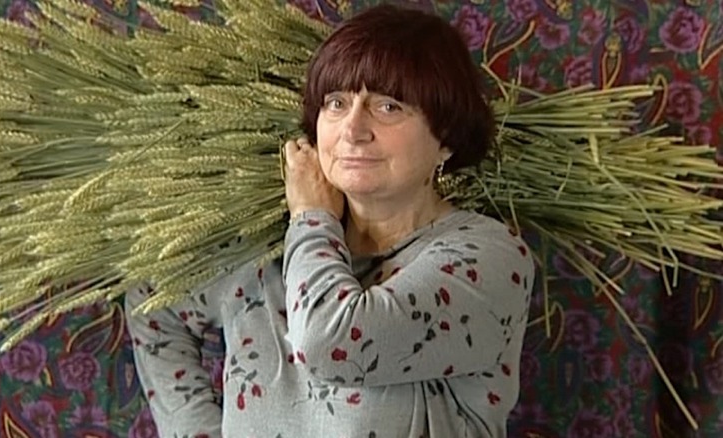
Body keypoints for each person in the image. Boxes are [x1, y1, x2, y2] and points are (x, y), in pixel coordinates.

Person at [126, 4, 535, 437]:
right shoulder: (265, 257)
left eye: (389, 106)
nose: (353, 129)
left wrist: (312, 215)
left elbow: (332, 342)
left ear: (447, 139)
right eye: (336, 103)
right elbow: (152, 302)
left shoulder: (488, 259)